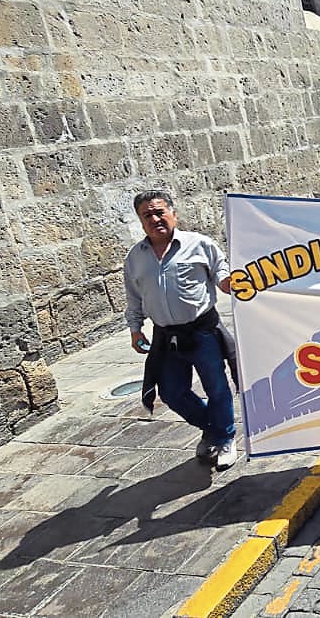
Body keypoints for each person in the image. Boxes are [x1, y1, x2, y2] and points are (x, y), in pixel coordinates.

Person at [124, 190, 240, 470]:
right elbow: (133, 296)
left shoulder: (200, 244)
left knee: (217, 387)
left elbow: (220, 270)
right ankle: (212, 427)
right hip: (165, 337)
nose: (155, 219)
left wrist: (226, 283)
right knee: (172, 392)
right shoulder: (135, 257)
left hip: (203, 332)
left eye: (159, 212)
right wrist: (135, 328)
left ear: (173, 214)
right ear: (140, 221)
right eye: (147, 215)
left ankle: (225, 438)